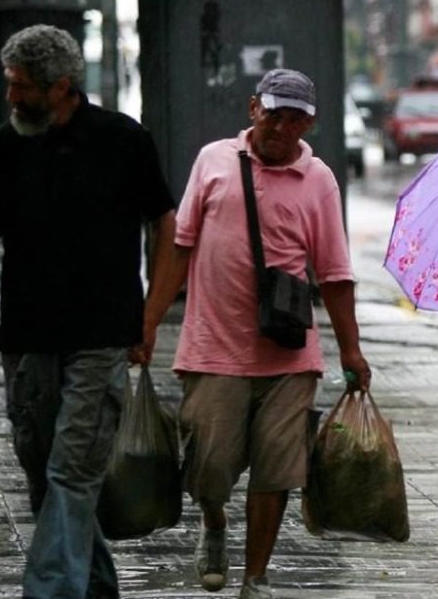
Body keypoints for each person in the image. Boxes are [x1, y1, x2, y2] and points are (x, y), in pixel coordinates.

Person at [0, 24, 177, 599]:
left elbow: (167, 229)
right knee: (43, 472)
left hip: (102, 336)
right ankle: (95, 585)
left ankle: (49, 591)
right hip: (27, 337)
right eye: (9, 84)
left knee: (72, 470)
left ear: (62, 86)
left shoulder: (125, 141)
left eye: (22, 87)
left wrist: (150, 317)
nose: (11, 97)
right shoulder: (7, 143)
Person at [139, 68, 371, 599]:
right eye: (273, 115)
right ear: (252, 110)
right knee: (210, 467)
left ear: (308, 124)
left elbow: (335, 273)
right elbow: (180, 246)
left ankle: (256, 578)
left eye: (294, 120)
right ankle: (214, 524)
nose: (281, 128)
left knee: (277, 471)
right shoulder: (213, 161)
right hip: (213, 349)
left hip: (289, 355)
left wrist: (351, 349)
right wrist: (149, 322)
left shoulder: (319, 181)